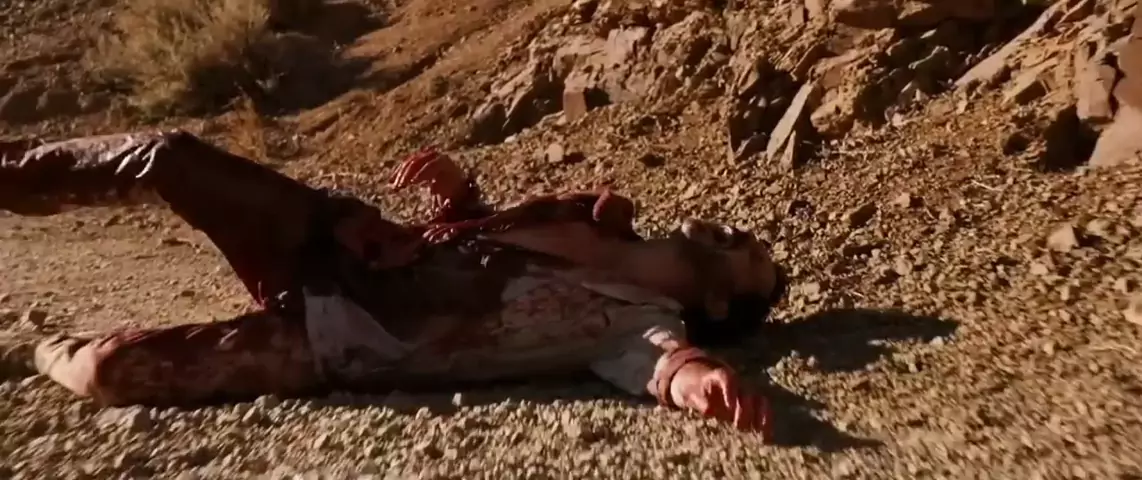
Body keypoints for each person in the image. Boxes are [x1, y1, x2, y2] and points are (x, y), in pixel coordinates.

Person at [0, 130, 787, 436]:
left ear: (719, 302)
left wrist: (706, 384)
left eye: (755, 260)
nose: (747, 237)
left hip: (338, 334)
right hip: (338, 239)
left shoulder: (633, 321)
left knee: (111, 370)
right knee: (169, 157)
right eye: (755, 239)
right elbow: (475, 242)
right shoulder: (592, 218)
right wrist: (458, 193)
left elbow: (665, 367)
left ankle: (39, 350)